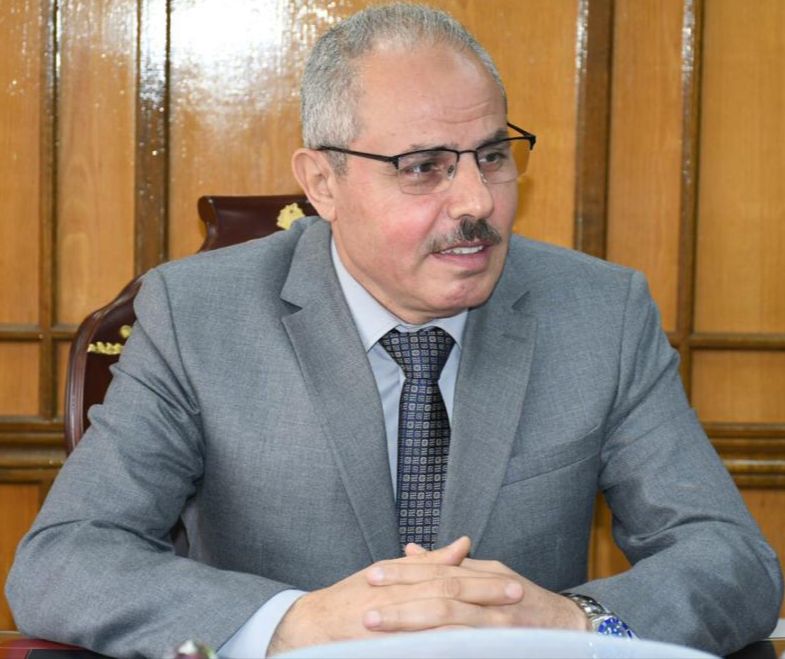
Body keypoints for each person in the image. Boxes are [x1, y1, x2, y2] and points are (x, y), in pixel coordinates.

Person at [6, 4, 782, 658]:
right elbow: (65, 558)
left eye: (491, 155)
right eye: (423, 166)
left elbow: (731, 560)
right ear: (322, 183)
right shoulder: (197, 314)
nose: (476, 200)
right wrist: (292, 621)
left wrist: (574, 619)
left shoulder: (598, 312)